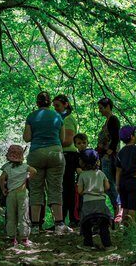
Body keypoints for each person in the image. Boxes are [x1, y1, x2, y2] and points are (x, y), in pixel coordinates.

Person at [23, 91, 70, 234]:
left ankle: (36, 226)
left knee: (36, 189)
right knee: (56, 188)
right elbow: (62, 139)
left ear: (37, 103)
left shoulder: (31, 116)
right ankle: (59, 225)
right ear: (50, 103)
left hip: (36, 153)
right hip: (55, 153)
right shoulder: (58, 116)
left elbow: (26, 138)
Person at [76, 149, 116, 252]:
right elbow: (107, 187)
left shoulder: (82, 175)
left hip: (87, 204)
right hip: (100, 203)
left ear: (82, 162)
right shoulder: (101, 173)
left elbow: (79, 191)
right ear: (97, 161)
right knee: (103, 225)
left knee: (86, 225)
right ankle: (108, 245)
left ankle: (88, 245)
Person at [0, 144, 37, 247]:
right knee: (23, 215)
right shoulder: (25, 167)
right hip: (22, 192)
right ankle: (24, 238)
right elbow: (34, 171)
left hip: (11, 193)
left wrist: (3, 189)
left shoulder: (7, 167)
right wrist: (28, 178)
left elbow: (2, 178)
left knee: (11, 216)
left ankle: (12, 238)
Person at [115, 126, 136, 227]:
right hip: (134, 181)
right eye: (135, 133)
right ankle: (132, 230)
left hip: (122, 182)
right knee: (132, 207)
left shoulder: (120, 152)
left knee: (125, 207)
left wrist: (117, 185)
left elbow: (118, 170)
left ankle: (125, 228)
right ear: (132, 136)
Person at [53, 94, 79, 227]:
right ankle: (60, 219)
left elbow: (68, 140)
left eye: (57, 105)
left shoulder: (68, 119)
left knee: (68, 188)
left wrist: (51, 142)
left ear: (65, 104)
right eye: (54, 106)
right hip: (61, 155)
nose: (55, 108)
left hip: (69, 155)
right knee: (61, 188)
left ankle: (73, 219)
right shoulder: (59, 118)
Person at [96, 97, 122, 222]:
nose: (99, 111)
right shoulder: (107, 121)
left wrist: (110, 150)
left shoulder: (113, 119)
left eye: (101, 108)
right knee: (108, 183)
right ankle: (116, 208)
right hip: (104, 156)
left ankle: (118, 209)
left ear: (107, 107)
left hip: (109, 157)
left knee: (110, 182)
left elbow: (116, 136)